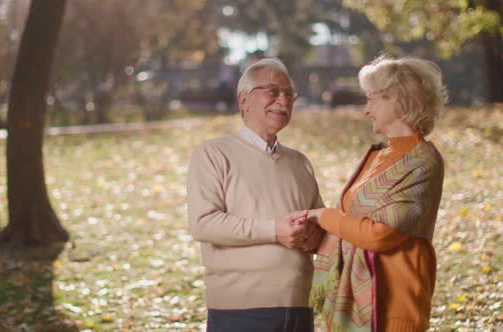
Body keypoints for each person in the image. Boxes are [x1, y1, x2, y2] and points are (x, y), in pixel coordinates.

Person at [302, 55, 447, 331]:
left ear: (398, 98)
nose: (366, 109)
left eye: (371, 99)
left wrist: (325, 217)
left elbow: (380, 235)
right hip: (354, 299)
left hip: (394, 300)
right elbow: (352, 218)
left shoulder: (423, 161)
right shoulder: (379, 154)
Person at [187, 58, 325, 332]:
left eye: (289, 94)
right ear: (243, 99)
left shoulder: (300, 162)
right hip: (239, 312)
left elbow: (318, 227)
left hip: (299, 309)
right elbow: (203, 223)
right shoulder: (213, 154)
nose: (283, 101)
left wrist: (314, 235)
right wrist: (274, 230)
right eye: (272, 91)